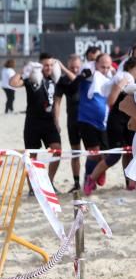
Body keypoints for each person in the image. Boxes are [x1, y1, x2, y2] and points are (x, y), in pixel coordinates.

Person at [83, 56, 136, 192]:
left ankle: (131, 183)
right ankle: (91, 178)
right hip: (116, 121)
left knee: (131, 152)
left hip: (130, 121)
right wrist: (119, 86)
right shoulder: (121, 78)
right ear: (129, 69)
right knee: (114, 155)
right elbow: (110, 102)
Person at [10, 53, 73, 183]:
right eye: (45, 65)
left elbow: (73, 81)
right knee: (31, 156)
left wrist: (61, 66)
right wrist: (24, 70)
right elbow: (13, 83)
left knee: (57, 151)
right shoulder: (31, 78)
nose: (48, 68)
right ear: (40, 66)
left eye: (51, 65)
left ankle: (49, 181)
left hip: (50, 123)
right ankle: (33, 186)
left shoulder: (56, 79)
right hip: (33, 123)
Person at [76, 53, 114, 191]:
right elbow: (77, 76)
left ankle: (99, 172)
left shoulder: (109, 78)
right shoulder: (88, 75)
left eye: (107, 67)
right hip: (86, 120)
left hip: (103, 122)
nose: (104, 69)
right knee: (94, 152)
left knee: (107, 154)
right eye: (102, 66)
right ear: (95, 64)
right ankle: (88, 178)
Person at [53, 54, 84, 192]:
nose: (75, 69)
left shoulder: (84, 75)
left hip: (87, 120)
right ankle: (77, 183)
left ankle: (91, 179)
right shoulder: (62, 81)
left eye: (77, 66)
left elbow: (76, 79)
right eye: (72, 67)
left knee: (94, 152)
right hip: (72, 119)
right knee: (75, 152)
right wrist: (56, 121)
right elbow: (57, 102)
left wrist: (64, 68)